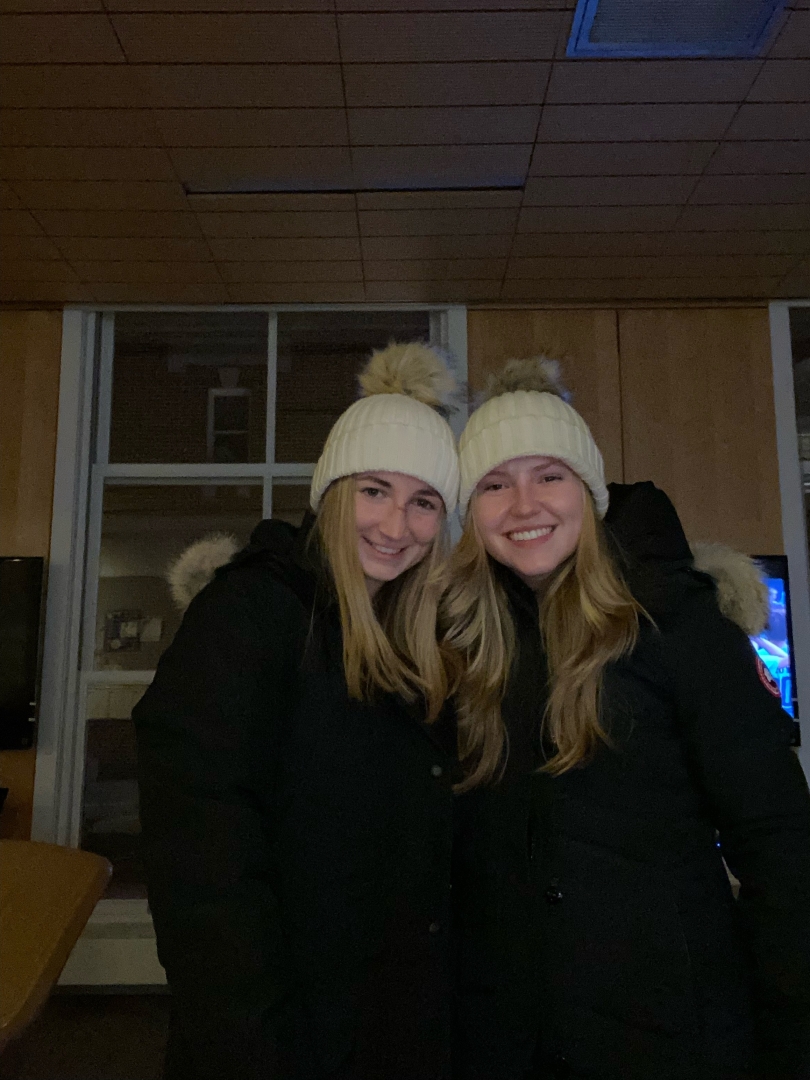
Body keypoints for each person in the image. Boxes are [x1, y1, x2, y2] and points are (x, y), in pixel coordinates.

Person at [442, 358, 810, 1080]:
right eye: (493, 484)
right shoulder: (456, 641)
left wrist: (789, 1041)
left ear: (590, 490)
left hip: (670, 1037)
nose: (523, 506)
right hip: (507, 1039)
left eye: (548, 475)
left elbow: (779, 846)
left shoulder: (677, 622)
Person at [133, 342, 461, 1080]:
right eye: (374, 490)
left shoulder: (425, 641)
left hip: (391, 1025)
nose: (396, 525)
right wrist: (252, 1040)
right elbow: (203, 856)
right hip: (276, 1032)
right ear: (331, 493)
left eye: (424, 502)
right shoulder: (251, 613)